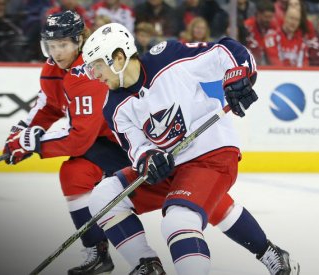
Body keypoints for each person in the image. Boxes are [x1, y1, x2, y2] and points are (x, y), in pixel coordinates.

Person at [81, 22, 300, 275]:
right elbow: (136, 149)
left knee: (178, 219)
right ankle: (147, 265)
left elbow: (224, 51)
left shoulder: (167, 57)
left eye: (96, 65)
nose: (94, 75)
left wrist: (239, 74)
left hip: (212, 153)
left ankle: (267, 253)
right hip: (174, 165)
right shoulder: (113, 107)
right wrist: (147, 159)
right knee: (103, 196)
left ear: (118, 57)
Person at [1, 10, 149, 275]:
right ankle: (97, 251)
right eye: (52, 45)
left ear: (79, 41)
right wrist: (21, 132)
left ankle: (144, 259)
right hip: (104, 141)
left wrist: (34, 144)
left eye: (63, 45)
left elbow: (79, 139)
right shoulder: (53, 67)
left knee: (90, 179)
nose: (57, 52)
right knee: (73, 174)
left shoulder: (88, 72)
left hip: (132, 144)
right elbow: (47, 106)